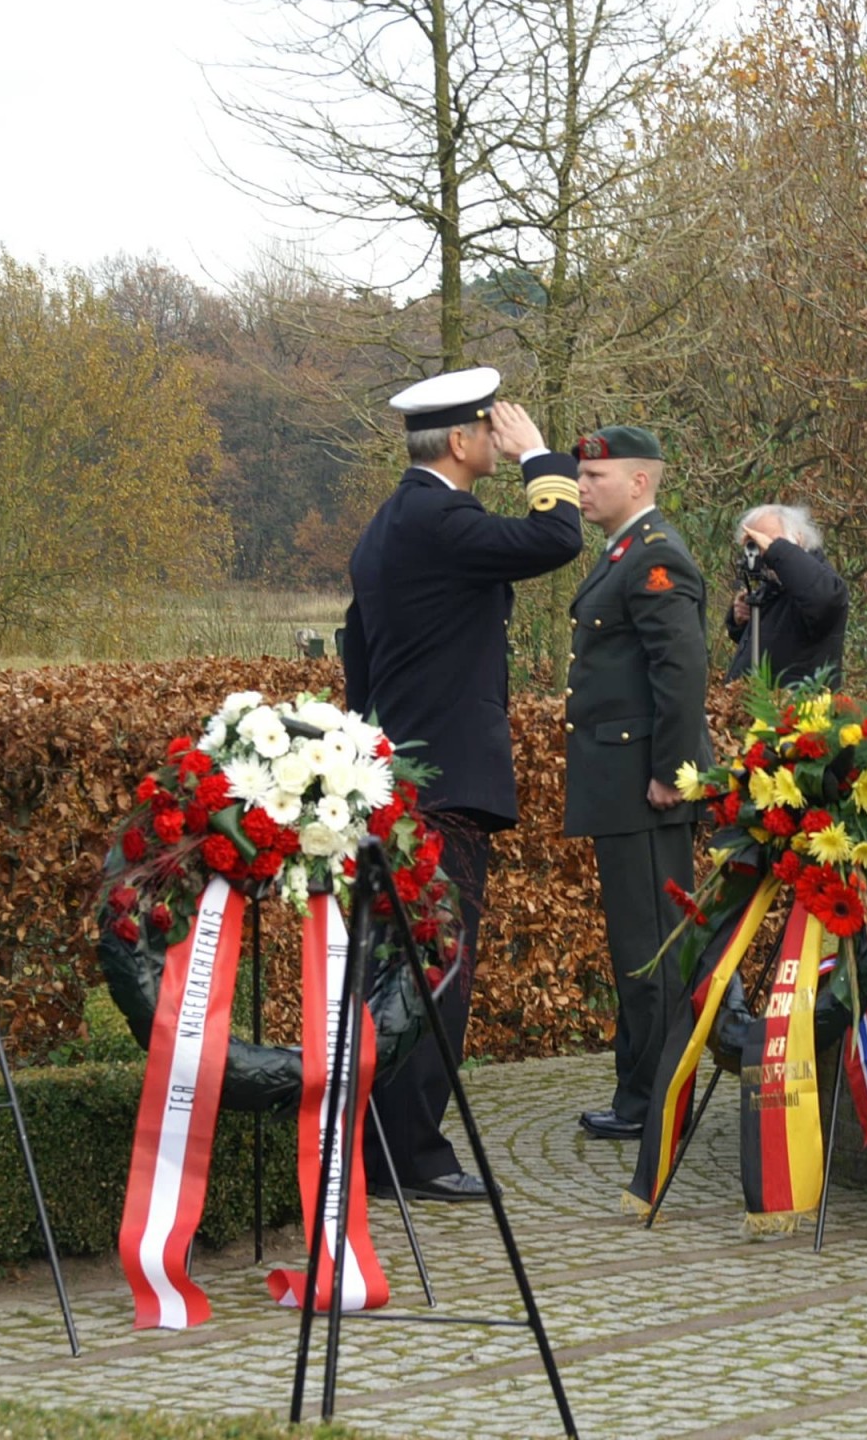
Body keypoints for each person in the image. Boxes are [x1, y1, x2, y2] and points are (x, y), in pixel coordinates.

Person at [343, 366, 582, 1200]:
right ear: (460, 441)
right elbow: (557, 538)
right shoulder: (440, 517)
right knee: (437, 972)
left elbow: (355, 654)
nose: (498, 436)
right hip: (442, 786)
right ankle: (410, 1154)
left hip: (400, 781)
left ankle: (380, 1146)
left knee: (396, 966)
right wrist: (538, 457)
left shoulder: (386, 525)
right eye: (492, 428)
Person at [562, 426, 710, 1140]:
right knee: (637, 946)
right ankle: (638, 1093)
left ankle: (658, 1103)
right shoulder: (624, 554)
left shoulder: (655, 558)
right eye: (581, 476)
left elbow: (680, 675)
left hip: (645, 787)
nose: (584, 486)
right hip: (621, 781)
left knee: (652, 948)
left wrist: (671, 774)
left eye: (596, 475)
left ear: (640, 483)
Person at [723, 503, 848, 686]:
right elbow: (774, 638)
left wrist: (775, 550)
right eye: (755, 544)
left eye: (769, 541)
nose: (763, 552)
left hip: (796, 710)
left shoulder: (819, 583)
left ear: (798, 538)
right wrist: (740, 620)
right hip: (755, 708)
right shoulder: (775, 585)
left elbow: (826, 600)